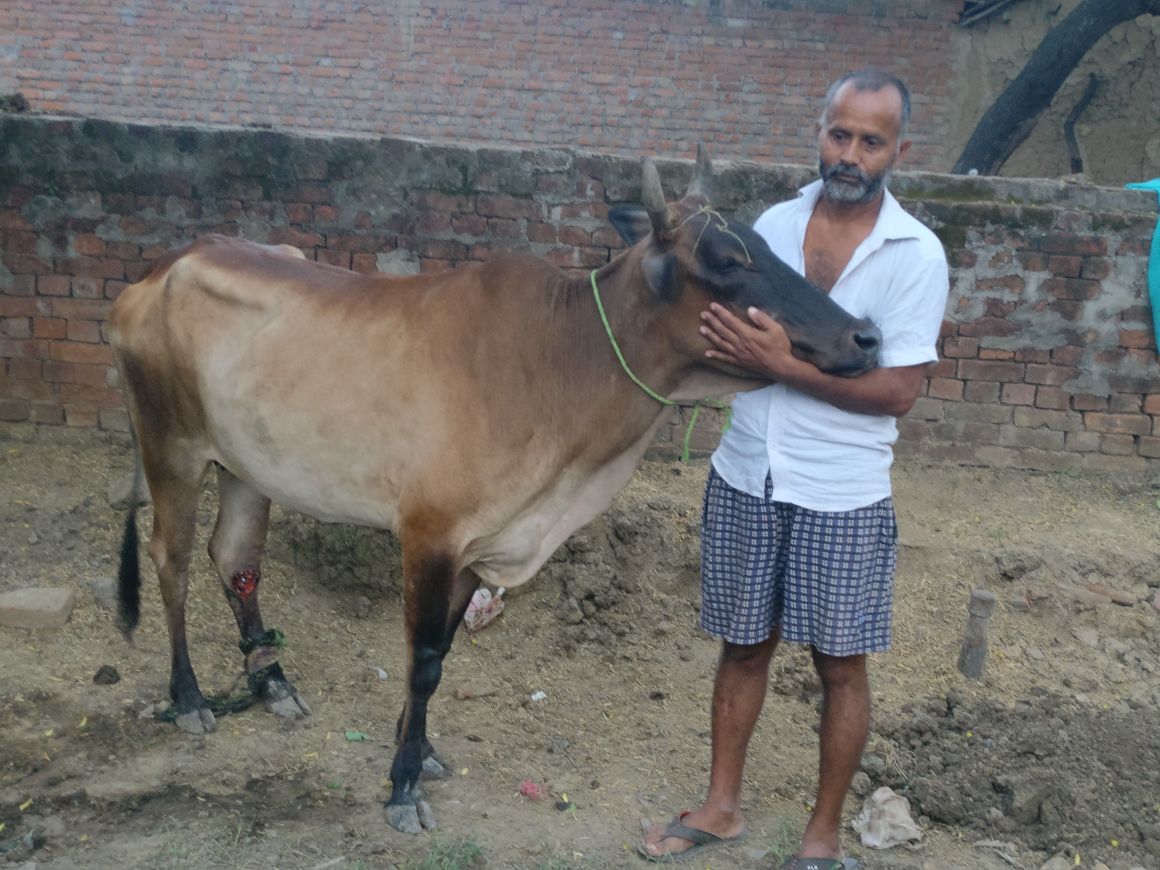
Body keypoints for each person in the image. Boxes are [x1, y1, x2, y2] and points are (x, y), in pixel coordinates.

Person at [638, 70, 950, 869]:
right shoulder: (771, 225)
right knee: (742, 648)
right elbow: (722, 331)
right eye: (838, 134)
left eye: (870, 140)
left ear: (898, 151)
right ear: (821, 132)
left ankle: (821, 838)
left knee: (840, 668)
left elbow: (898, 394)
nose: (850, 154)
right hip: (748, 473)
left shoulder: (915, 254)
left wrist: (782, 365)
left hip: (840, 491)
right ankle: (721, 807)